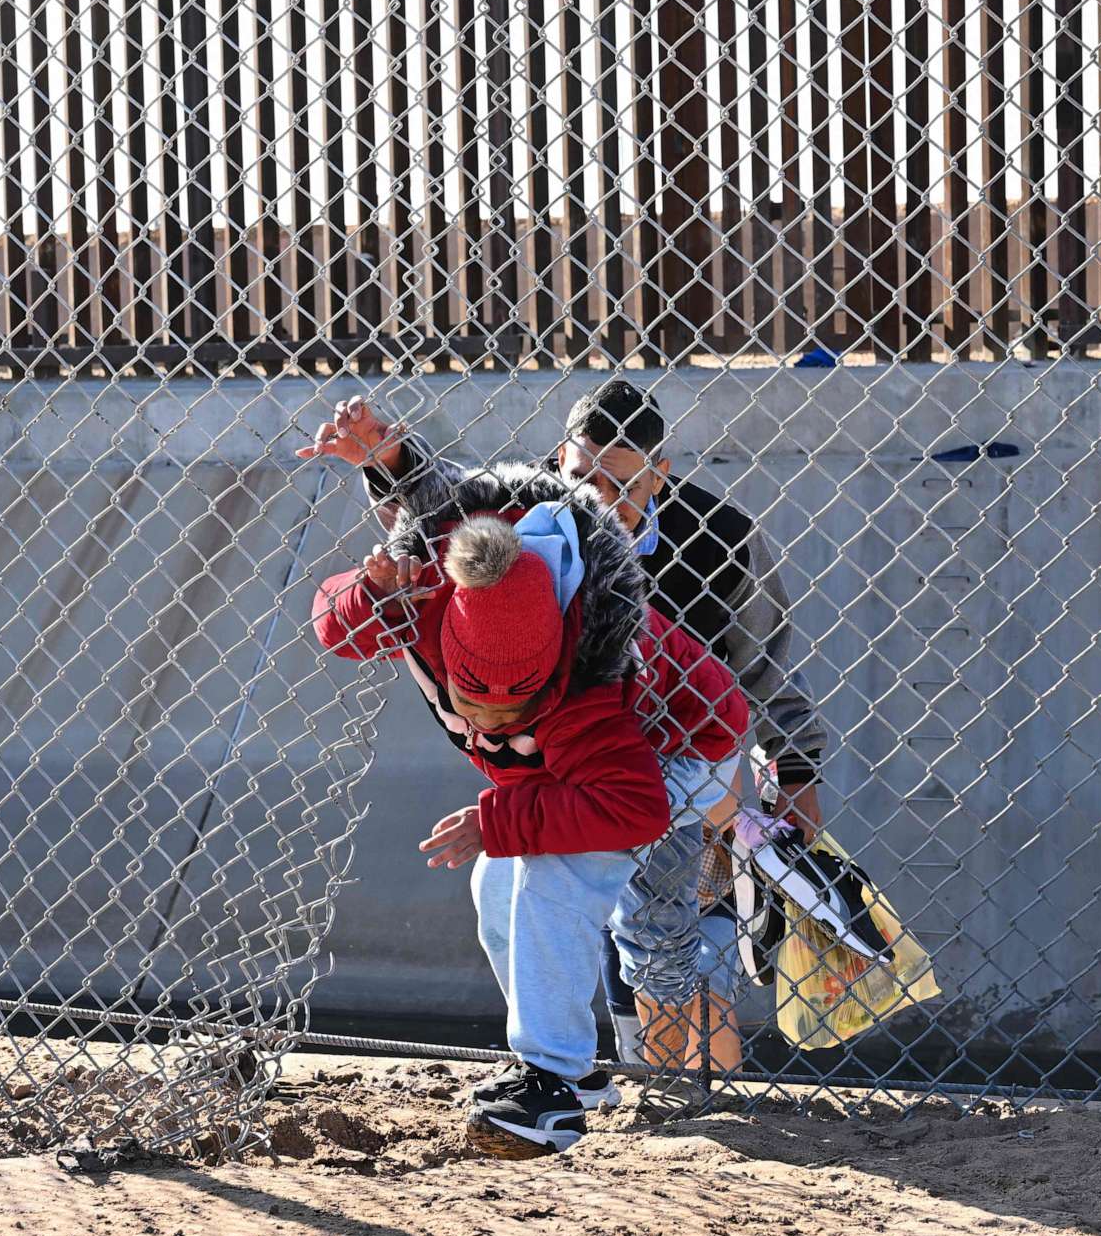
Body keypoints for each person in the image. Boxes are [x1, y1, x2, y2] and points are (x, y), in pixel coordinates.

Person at [302, 378, 828, 1071]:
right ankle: (601, 1070)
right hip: (571, 750)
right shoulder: (544, 516)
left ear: (660, 473)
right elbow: (451, 504)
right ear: (559, 462)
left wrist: (795, 770)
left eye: (624, 485)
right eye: (583, 478)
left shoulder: (722, 538)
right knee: (525, 885)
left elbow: (766, 667)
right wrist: (388, 461)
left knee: (663, 919)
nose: (601, 501)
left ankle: (689, 1081)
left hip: (681, 747)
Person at [312, 471, 748, 1157]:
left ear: (550, 677)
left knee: (555, 870)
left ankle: (550, 1088)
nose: (489, 724)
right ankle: (572, 1075)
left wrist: (499, 819)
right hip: (594, 767)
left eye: (517, 711)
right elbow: (337, 628)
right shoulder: (435, 608)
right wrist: (368, 591)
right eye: (477, 705)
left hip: (685, 752)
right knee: (495, 883)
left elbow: (631, 807)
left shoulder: (589, 685)